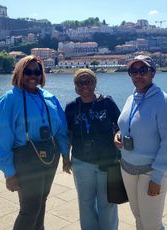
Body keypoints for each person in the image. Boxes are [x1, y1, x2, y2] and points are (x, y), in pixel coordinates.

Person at [0, 55, 70, 230]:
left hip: (49, 156)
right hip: (25, 158)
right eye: (28, 71)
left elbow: (61, 128)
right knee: (30, 209)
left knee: (41, 202)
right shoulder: (9, 99)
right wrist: (9, 173)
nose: (33, 76)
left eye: (37, 72)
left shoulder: (49, 97)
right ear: (19, 73)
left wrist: (65, 154)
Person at [114, 55, 167, 230]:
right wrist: (119, 135)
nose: (138, 75)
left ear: (153, 73)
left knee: (152, 224)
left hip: (150, 172)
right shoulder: (132, 98)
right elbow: (127, 125)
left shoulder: (164, 103)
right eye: (133, 71)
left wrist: (158, 177)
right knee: (139, 218)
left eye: (143, 70)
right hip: (128, 168)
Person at [65, 68, 121, 230]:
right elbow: (67, 134)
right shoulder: (71, 107)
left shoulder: (107, 103)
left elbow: (120, 125)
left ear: (95, 83)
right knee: (85, 202)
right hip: (81, 161)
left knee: (107, 203)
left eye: (88, 81)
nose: (84, 85)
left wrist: (118, 134)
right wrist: (65, 158)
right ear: (75, 86)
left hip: (107, 161)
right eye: (80, 82)